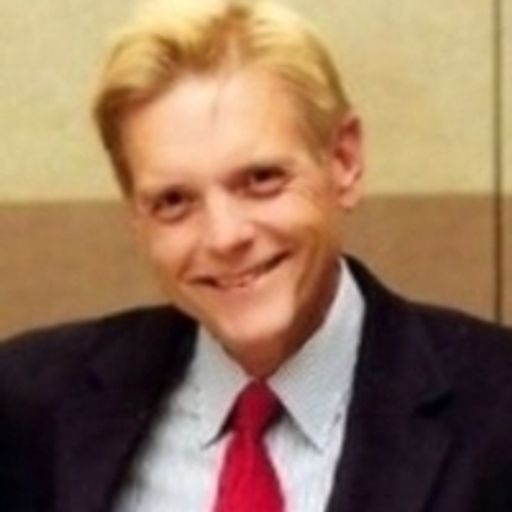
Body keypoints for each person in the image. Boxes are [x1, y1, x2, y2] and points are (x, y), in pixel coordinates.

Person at [1, 1, 512, 511]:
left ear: (344, 160)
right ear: (136, 217)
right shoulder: (27, 407)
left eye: (262, 179)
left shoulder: (496, 409)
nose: (224, 237)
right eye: (174, 201)